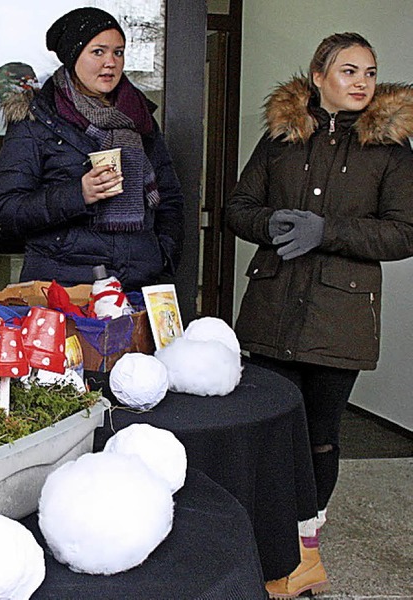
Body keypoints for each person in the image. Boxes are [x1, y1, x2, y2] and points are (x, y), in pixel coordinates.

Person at [227, 32, 413, 598]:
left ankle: (304, 557)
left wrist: (326, 231)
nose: (361, 82)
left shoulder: (391, 152)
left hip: (341, 316)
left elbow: (404, 231)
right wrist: (275, 223)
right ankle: (264, 545)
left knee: (319, 438)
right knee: (267, 433)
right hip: (272, 308)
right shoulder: (281, 140)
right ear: (317, 77)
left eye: (370, 72)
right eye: (349, 70)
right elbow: (240, 208)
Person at [0, 7, 184, 292]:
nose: (110, 63)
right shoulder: (37, 119)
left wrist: (162, 255)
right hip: (64, 290)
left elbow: (170, 199)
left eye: (118, 52)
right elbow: (6, 208)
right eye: (98, 52)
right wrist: (78, 194)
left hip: (137, 286)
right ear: (73, 55)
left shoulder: (139, 117)